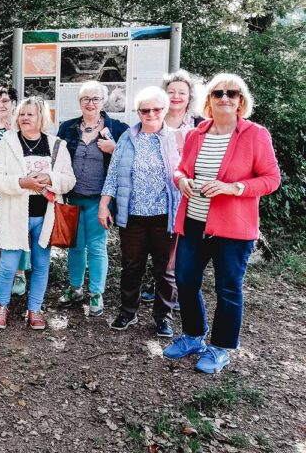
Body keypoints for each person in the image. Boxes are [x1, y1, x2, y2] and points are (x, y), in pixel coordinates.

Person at [163, 73, 280, 374]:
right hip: (193, 223)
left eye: (232, 93)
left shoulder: (255, 134)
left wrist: (233, 188)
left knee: (228, 288)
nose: (225, 98)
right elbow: (179, 170)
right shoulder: (196, 134)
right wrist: (182, 180)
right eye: (218, 93)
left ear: (241, 100)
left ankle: (220, 348)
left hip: (233, 229)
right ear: (209, 100)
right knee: (186, 282)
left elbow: (271, 179)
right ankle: (192, 336)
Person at [98, 86, 180, 337]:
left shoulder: (176, 138)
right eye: (145, 110)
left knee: (165, 270)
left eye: (156, 109)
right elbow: (113, 173)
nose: (151, 114)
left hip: (165, 215)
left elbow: (186, 174)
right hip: (132, 214)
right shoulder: (127, 138)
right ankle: (127, 312)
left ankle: (163, 317)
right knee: (132, 266)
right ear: (138, 112)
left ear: (165, 110)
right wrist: (104, 204)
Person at [0, 97, 76, 329]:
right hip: (15, 214)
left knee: (41, 264)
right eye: (22, 114)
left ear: (41, 118)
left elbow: (69, 180)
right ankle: (2, 306)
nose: (25, 118)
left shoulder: (56, 145)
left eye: (30, 114)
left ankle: (34, 308)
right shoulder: (7, 143)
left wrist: (51, 179)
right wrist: (21, 182)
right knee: (8, 264)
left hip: (44, 216)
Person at [56, 81, 128, 317]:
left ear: (103, 102)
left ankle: (96, 293)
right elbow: (56, 161)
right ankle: (75, 288)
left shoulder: (117, 128)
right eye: (86, 99)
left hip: (101, 199)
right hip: (73, 198)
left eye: (95, 99)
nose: (90, 103)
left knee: (97, 247)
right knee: (75, 246)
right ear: (79, 102)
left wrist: (114, 148)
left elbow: (129, 160)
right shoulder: (67, 128)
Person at [141, 70, 205, 305]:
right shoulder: (154, 118)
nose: (176, 96)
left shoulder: (201, 124)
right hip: (157, 193)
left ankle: (178, 290)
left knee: (183, 244)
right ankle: (159, 286)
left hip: (188, 192)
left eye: (182, 92)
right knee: (158, 244)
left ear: (190, 97)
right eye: (171, 92)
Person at [0, 86, 30, 294]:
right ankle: (0, 273)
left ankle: (19, 276)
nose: (1, 105)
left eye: (5, 101)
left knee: (21, 231)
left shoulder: (22, 126)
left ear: (13, 103)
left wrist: (12, 130)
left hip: (21, 189)